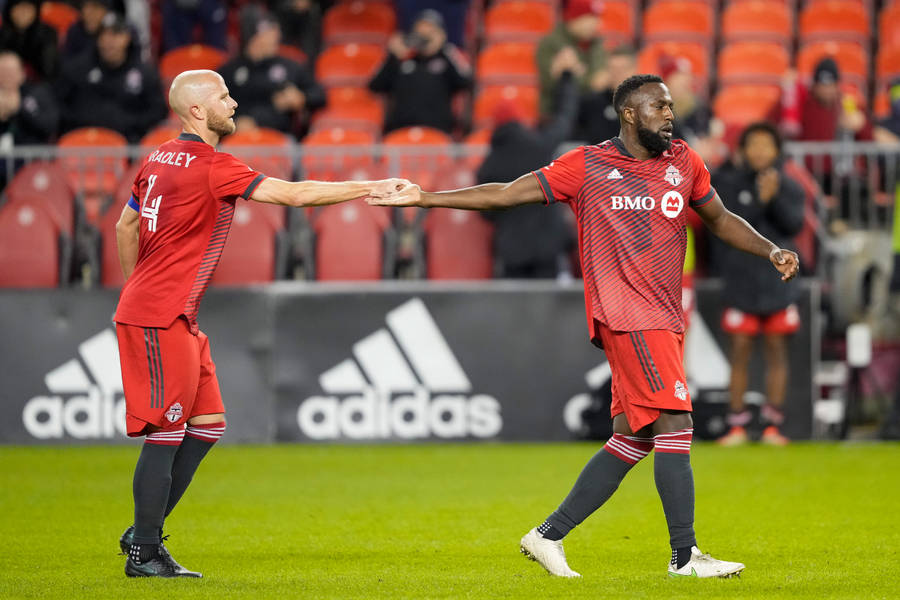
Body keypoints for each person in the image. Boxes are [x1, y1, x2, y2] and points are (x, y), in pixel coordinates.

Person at [370, 74, 800, 578]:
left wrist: (770, 249)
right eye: (658, 106)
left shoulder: (684, 161)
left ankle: (547, 535)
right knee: (676, 425)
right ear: (629, 114)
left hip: (663, 315)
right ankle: (685, 557)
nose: (669, 114)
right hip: (628, 314)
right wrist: (425, 198)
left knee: (633, 439)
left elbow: (720, 218)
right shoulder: (587, 164)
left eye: (670, 105)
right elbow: (506, 194)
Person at [113, 68, 408, 578]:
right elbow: (294, 195)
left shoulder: (157, 158)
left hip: (169, 311)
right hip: (159, 316)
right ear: (197, 110)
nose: (233, 103)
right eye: (223, 96)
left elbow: (126, 224)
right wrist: (371, 185)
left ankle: (144, 528)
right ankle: (143, 550)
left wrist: (135, 285)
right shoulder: (213, 165)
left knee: (208, 424)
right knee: (167, 430)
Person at [710, 122, 805, 446]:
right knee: (739, 351)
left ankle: (771, 426)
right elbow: (726, 226)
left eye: (767, 144)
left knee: (777, 351)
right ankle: (736, 425)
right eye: (754, 144)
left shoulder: (790, 187)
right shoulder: (728, 184)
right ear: (743, 150)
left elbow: (794, 224)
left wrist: (773, 198)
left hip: (779, 283)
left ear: (777, 150)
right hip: (741, 281)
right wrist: (760, 201)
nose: (760, 151)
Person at [478, 70, 578, 278]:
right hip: (548, 246)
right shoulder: (540, 145)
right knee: (547, 297)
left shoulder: (489, 165)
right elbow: (563, 122)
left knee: (515, 299)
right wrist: (567, 82)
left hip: (512, 250)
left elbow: (485, 212)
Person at [56, 13, 167, 142]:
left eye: (115, 34)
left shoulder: (144, 73)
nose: (108, 41)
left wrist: (130, 125)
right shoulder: (78, 69)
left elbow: (158, 110)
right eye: (103, 35)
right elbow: (60, 103)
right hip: (83, 143)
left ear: (127, 38)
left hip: (130, 143)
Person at [219, 6, 325, 135]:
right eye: (269, 33)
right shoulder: (229, 71)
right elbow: (212, 106)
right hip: (238, 137)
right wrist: (234, 122)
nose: (276, 37)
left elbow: (319, 95)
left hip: (281, 137)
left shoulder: (289, 67)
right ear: (252, 37)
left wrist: (301, 98)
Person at [368, 9, 472, 134]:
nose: (424, 35)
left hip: (439, 131)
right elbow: (374, 86)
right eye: (421, 30)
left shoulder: (445, 56)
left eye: (430, 30)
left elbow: (467, 82)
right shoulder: (402, 57)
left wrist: (443, 49)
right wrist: (392, 55)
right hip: (400, 131)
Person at [536, 0, 605, 119]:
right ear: (572, 18)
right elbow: (550, 85)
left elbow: (601, 81)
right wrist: (585, 80)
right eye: (589, 17)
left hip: (590, 114)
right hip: (557, 115)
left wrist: (577, 74)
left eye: (596, 18)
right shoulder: (551, 44)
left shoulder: (596, 44)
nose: (595, 23)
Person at [0, 50, 59, 188]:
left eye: (10, 72)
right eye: (2, 72)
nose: (6, 77)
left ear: (22, 73)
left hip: (31, 165)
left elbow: (50, 126)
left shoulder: (38, 93)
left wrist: (20, 109)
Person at [579, 45, 636, 144]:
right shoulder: (593, 102)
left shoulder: (646, 103)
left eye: (622, 69)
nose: (617, 74)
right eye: (612, 69)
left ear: (634, 70)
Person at [0, 0, 59, 80]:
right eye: (19, 8)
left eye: (28, 9)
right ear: (10, 11)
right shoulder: (3, 33)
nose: (23, 13)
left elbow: (49, 69)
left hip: (37, 82)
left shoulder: (47, 33)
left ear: (36, 11)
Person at [160, 0, 227, 52]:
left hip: (209, 3)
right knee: (175, 50)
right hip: (176, 6)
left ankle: (217, 63)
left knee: (216, 48)